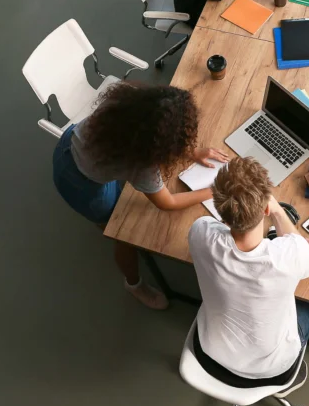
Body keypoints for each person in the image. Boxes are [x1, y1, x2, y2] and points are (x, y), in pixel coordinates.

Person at [53, 82, 229, 310]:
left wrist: (190, 151)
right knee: (122, 234)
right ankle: (134, 284)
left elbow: (154, 129)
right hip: (81, 184)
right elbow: (168, 202)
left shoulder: (127, 100)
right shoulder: (143, 167)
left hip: (69, 142)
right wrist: (212, 190)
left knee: (120, 215)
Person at [188, 157, 309, 387]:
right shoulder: (290, 255)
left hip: (208, 353)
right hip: (270, 370)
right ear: (266, 207)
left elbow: (219, 230)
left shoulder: (200, 232)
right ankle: (291, 376)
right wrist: (278, 213)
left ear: (220, 211)